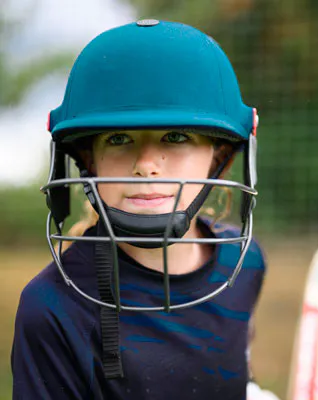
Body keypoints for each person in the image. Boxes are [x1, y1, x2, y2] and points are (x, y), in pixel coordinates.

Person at [12, 20, 280, 400]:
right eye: (119, 139)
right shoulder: (53, 307)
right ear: (88, 160)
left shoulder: (245, 263)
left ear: (219, 155)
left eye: (176, 136)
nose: (147, 164)